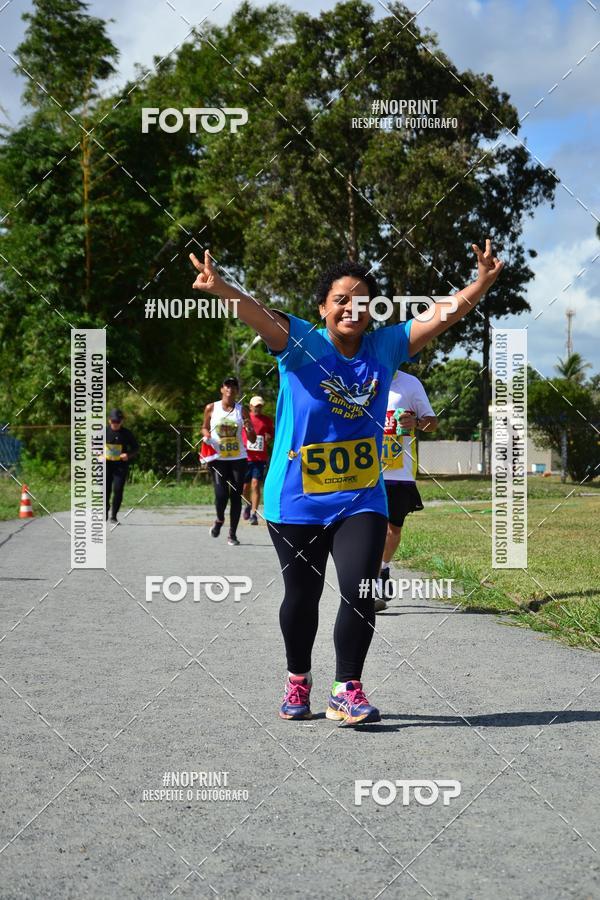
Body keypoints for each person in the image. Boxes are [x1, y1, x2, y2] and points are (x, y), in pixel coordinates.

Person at [190, 240, 503, 726]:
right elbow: (257, 316)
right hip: (295, 498)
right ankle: (298, 679)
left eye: (361, 300)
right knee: (302, 596)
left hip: (361, 496)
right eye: (340, 299)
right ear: (323, 308)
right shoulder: (300, 343)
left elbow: (440, 317)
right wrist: (221, 287)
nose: (351, 307)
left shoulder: (386, 347)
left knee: (360, 587)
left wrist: (481, 282)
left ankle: (347, 688)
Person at [375, 371, 438, 613]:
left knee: (394, 529)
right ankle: (368, 591)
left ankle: (383, 567)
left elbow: (432, 422)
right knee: (368, 528)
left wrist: (418, 423)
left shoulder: (410, 384)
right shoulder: (359, 378)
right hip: (365, 470)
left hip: (398, 471)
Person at [201, 376, 256, 546]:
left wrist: (249, 428)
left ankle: (232, 534)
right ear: (222, 389)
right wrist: (206, 434)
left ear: (237, 390)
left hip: (238, 458)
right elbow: (204, 426)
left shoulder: (242, 410)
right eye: (227, 385)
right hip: (219, 459)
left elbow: (253, 439)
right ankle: (219, 519)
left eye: (233, 386)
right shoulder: (211, 408)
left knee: (236, 497)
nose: (230, 388)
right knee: (221, 494)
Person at [242, 396, 275, 525]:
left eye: (260, 406)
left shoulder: (267, 420)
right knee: (244, 487)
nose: (258, 408)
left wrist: (268, 437)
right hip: (245, 456)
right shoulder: (245, 419)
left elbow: (271, 434)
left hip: (260, 458)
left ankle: (254, 514)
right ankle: (248, 504)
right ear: (250, 406)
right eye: (255, 406)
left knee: (255, 484)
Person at [104, 409, 139, 525]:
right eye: (113, 421)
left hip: (120, 466)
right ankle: (105, 510)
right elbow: (93, 445)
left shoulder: (127, 433)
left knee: (118, 490)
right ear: (109, 420)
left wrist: (128, 455)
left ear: (122, 421)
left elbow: (136, 448)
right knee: (105, 490)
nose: (115, 424)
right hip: (106, 465)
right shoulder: (103, 432)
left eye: (118, 421)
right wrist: (99, 454)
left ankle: (113, 516)